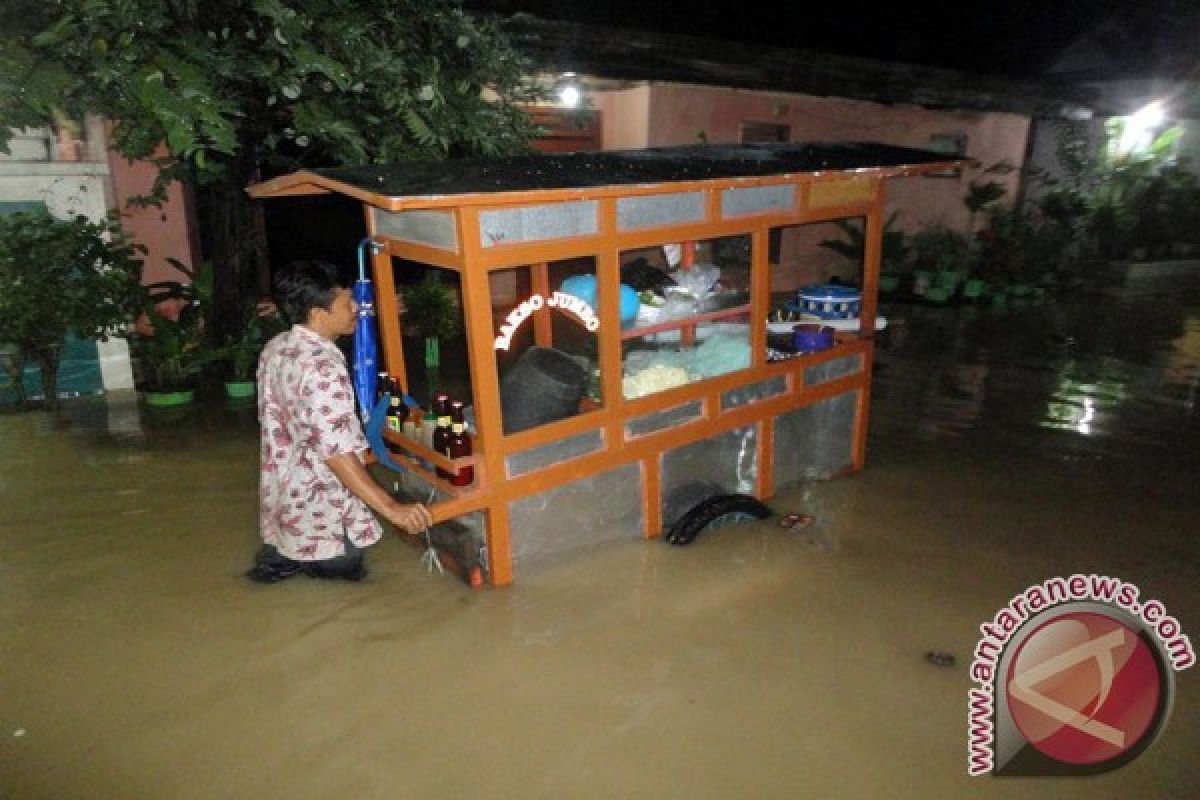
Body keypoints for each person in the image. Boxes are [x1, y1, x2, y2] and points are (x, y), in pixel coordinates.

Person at [247, 260, 432, 583]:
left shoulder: (276, 348)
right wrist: (393, 509)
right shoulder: (322, 370)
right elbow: (336, 454)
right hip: (322, 509)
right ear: (320, 314)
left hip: (286, 498)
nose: (357, 308)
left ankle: (279, 565)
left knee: (282, 562)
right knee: (347, 578)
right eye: (348, 303)